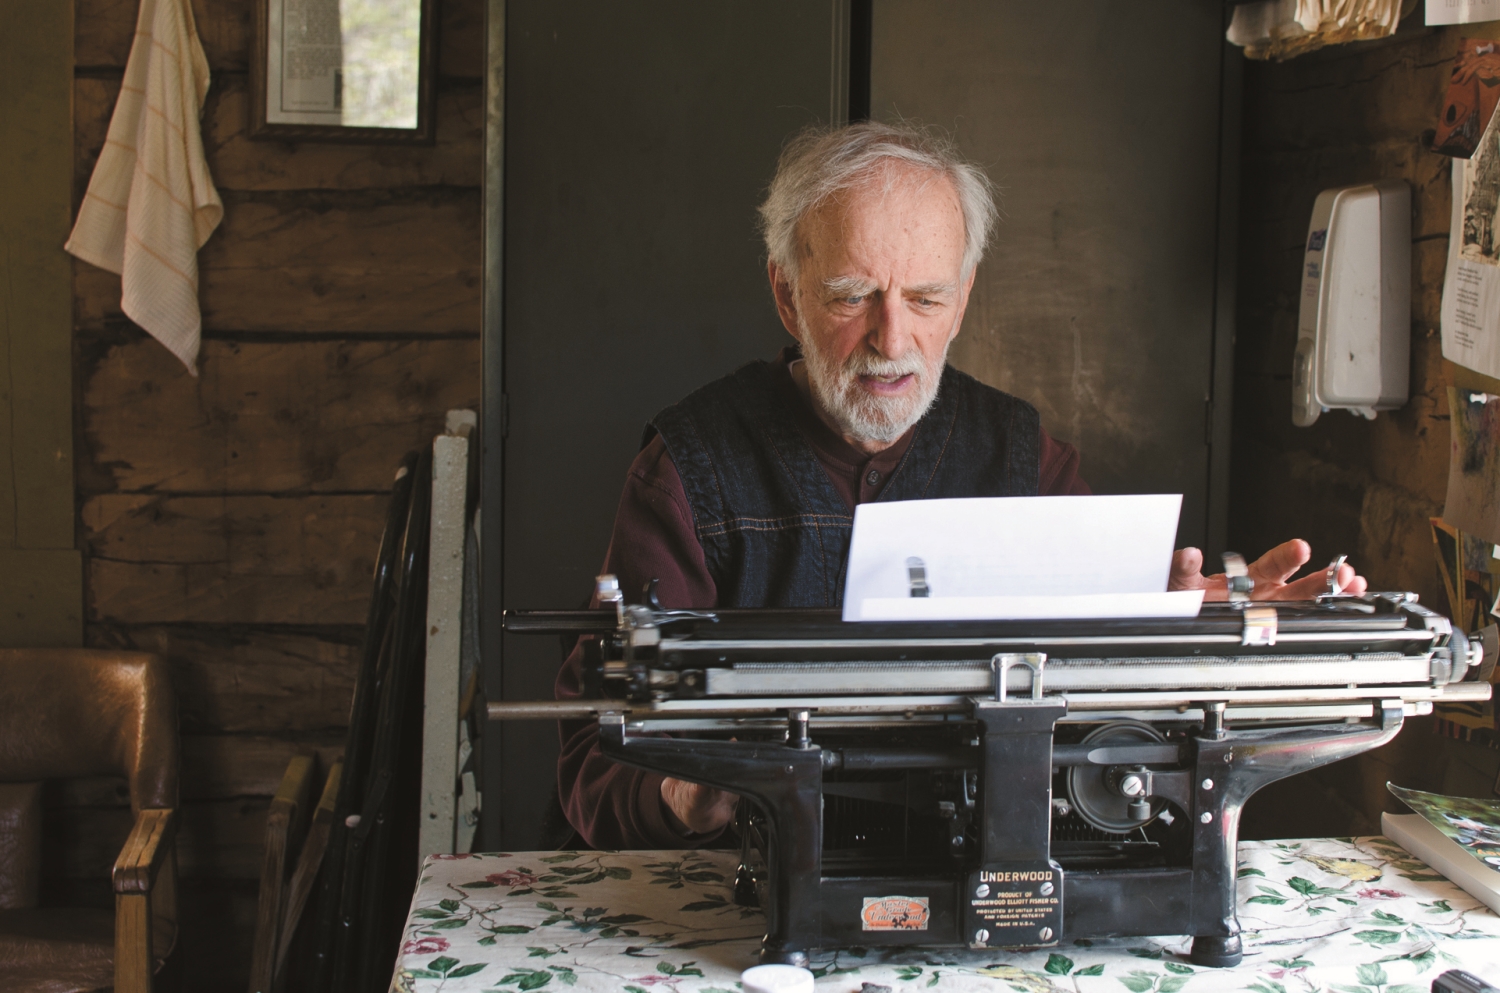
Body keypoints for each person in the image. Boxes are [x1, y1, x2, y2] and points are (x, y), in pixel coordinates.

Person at [554, 121, 1367, 850]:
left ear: (964, 298)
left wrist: (1187, 626)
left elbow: (1116, 694)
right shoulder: (689, 469)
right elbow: (592, 761)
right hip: (746, 910)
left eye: (927, 297)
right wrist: (682, 793)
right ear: (787, 294)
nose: (892, 336)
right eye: (850, 296)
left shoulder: (1023, 455)